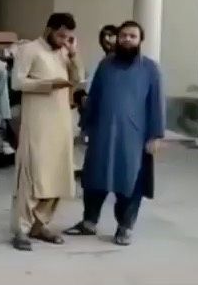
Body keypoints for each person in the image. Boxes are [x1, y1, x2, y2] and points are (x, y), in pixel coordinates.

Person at [64, 21, 164, 246]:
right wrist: (86, 126)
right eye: (123, 36)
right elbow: (95, 98)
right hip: (102, 134)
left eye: (132, 36)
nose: (127, 39)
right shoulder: (105, 66)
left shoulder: (150, 69)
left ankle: (125, 227)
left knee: (129, 183)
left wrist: (155, 135)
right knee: (93, 179)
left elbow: (156, 104)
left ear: (140, 41)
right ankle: (89, 222)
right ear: (117, 39)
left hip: (133, 138)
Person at [10, 12, 83, 251]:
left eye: (68, 37)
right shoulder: (29, 49)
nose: (64, 40)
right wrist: (48, 85)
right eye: (61, 35)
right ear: (48, 29)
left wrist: (73, 56)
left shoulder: (64, 52)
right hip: (38, 123)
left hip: (61, 122)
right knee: (33, 175)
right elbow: (17, 82)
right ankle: (21, 229)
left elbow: (78, 79)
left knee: (58, 174)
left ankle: (40, 225)